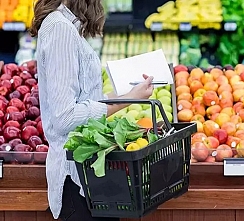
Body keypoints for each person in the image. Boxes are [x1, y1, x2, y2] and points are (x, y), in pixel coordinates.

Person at [29, 0, 154, 220]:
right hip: (75, 178)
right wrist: (127, 100)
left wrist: (130, 94)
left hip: (89, 176)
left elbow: (85, 101)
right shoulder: (60, 29)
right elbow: (65, 117)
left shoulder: (66, 25)